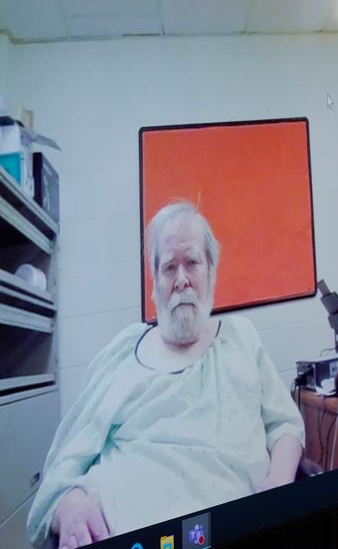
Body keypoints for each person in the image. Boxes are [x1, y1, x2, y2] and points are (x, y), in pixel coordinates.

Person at [29, 202, 304, 548]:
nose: (181, 279)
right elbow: (66, 461)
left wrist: (278, 482)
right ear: (155, 283)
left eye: (192, 263)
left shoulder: (241, 339)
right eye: (169, 267)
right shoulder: (122, 352)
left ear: (211, 272)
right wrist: (70, 505)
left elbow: (285, 425)